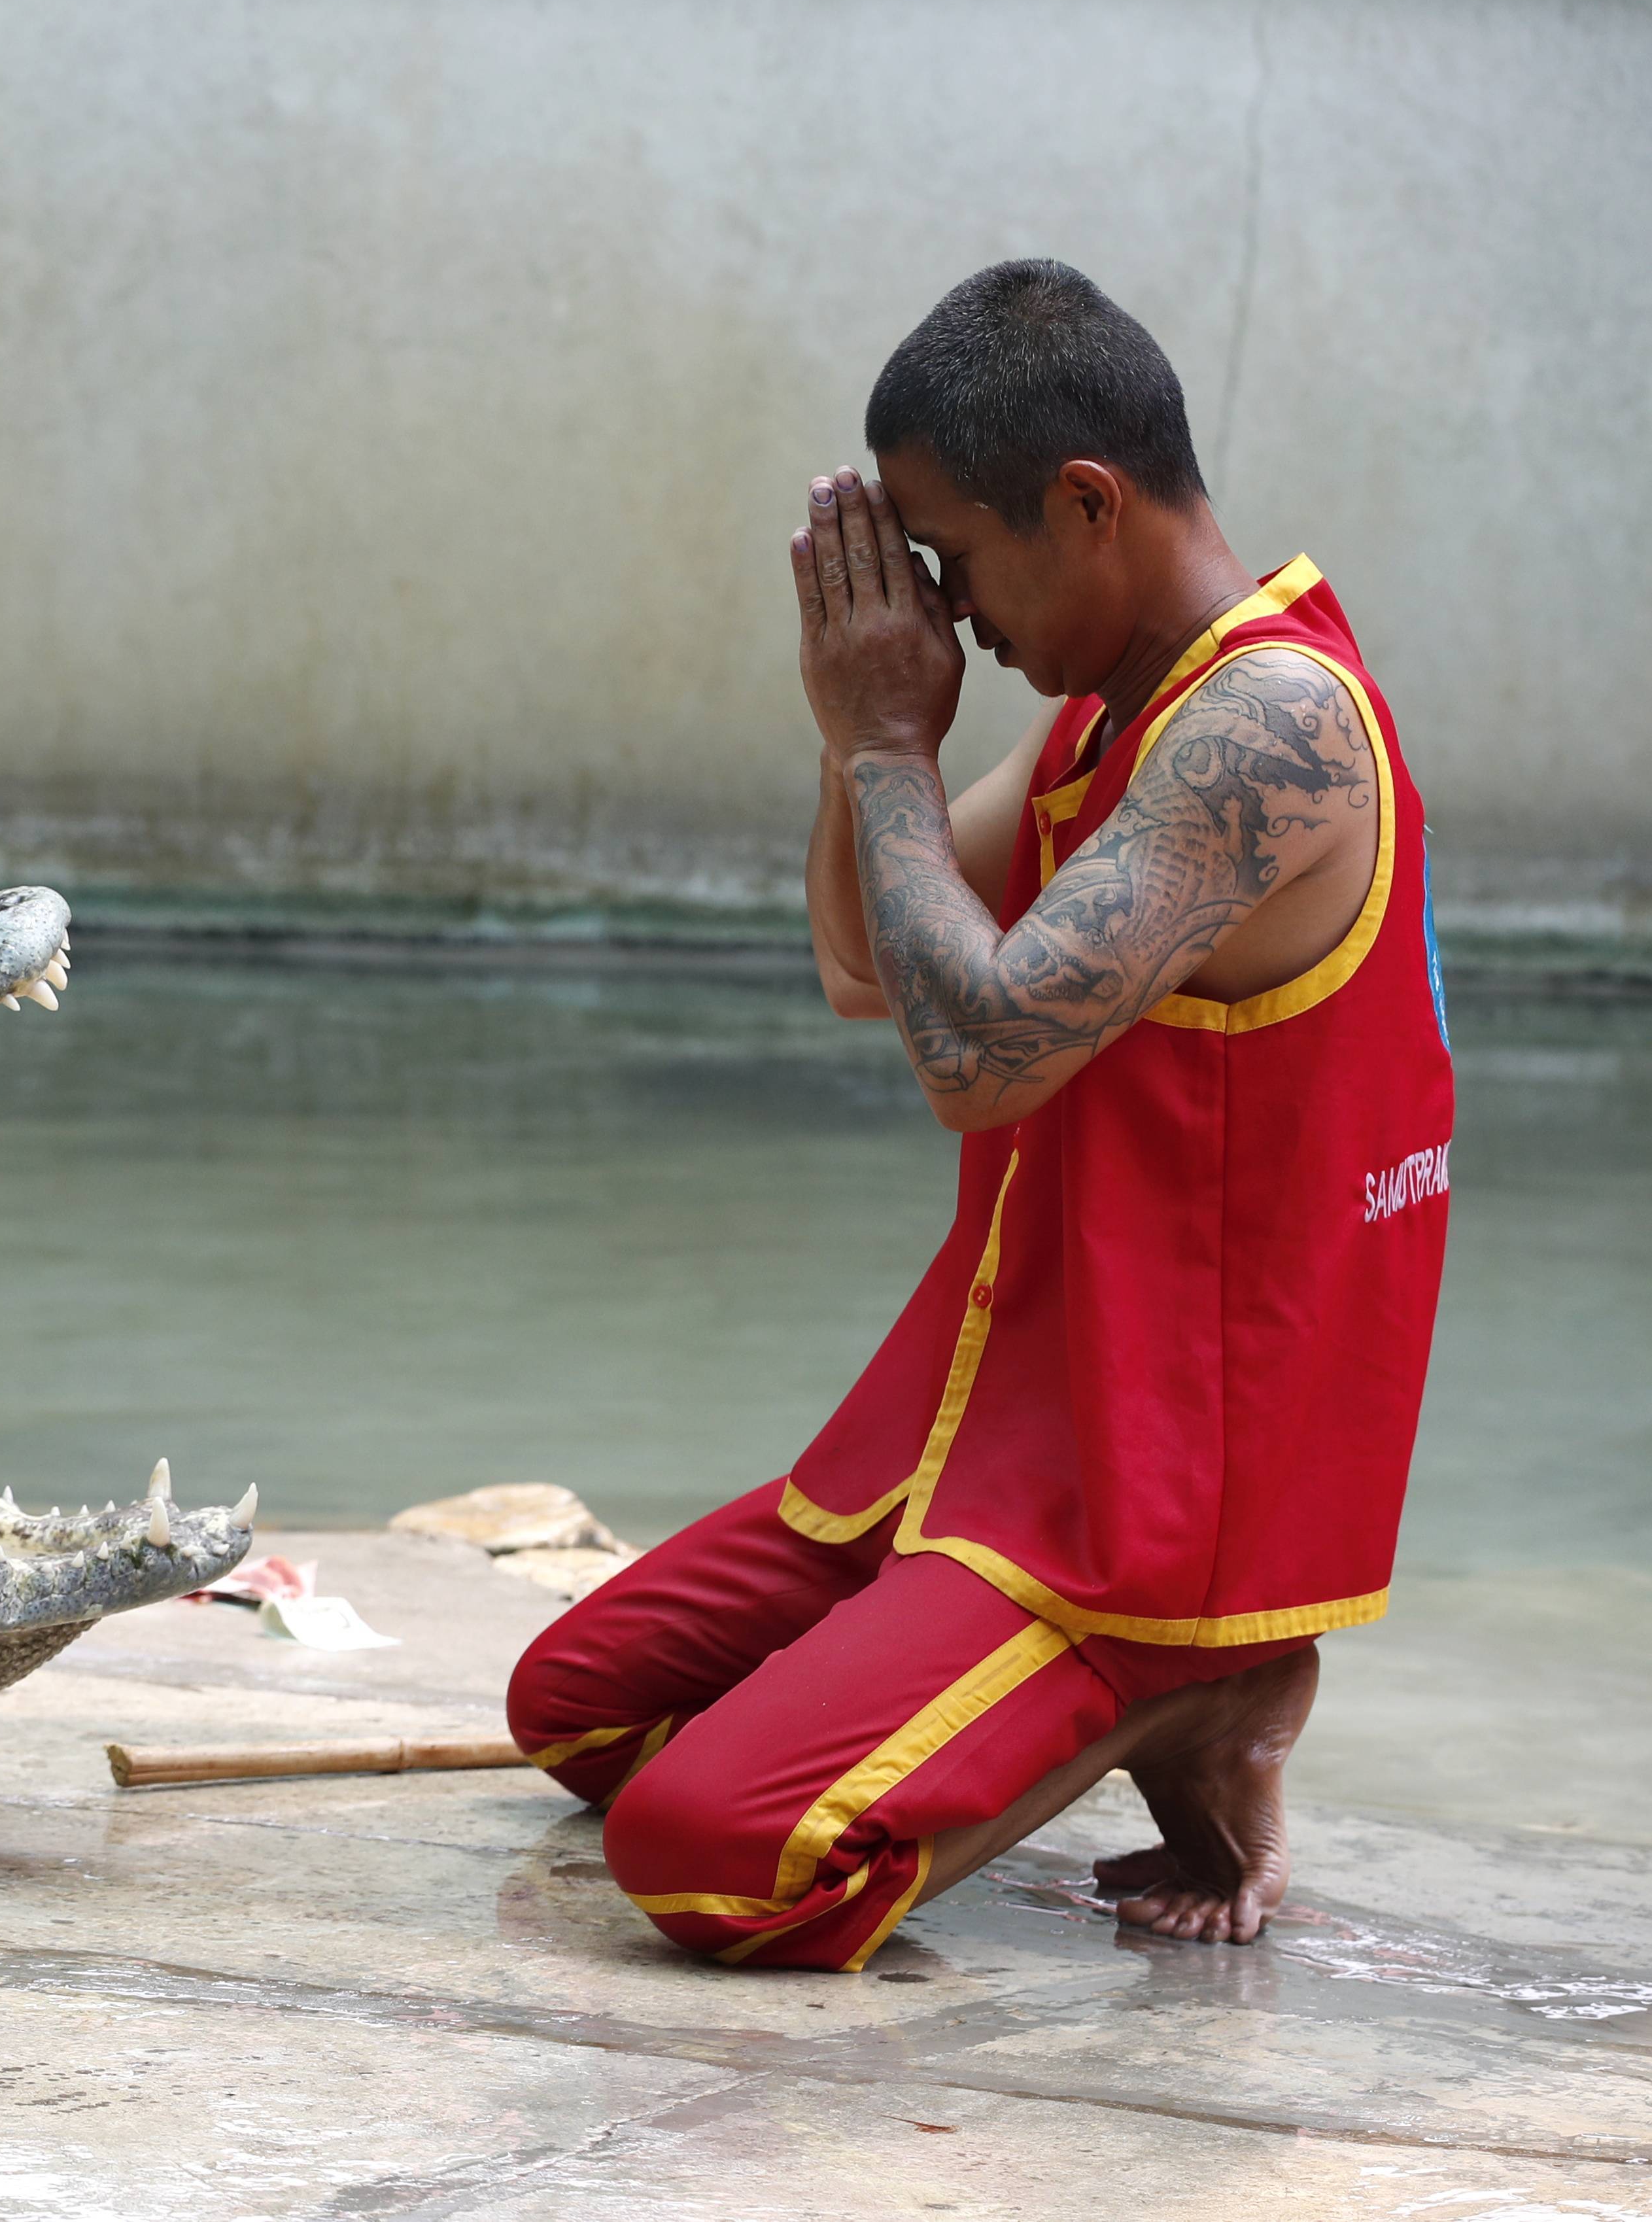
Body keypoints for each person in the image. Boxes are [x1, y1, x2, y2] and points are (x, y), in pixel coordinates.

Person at [506, 260, 1453, 1969]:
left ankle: (1185, 1693)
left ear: (1083, 504)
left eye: (951, 558)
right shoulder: (1115, 712)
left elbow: (979, 1054)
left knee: (713, 1861)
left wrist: (886, 744)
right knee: (573, 1709)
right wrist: (849, 735)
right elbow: (872, 964)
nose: (943, 610)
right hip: (990, 1435)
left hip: (1145, 1513)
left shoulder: (1269, 725)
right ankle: (980, 1674)